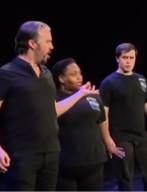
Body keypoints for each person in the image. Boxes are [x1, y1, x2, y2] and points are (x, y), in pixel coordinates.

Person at [0, 21, 101, 191]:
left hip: (51, 153)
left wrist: (80, 94)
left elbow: (52, 110)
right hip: (22, 156)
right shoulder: (7, 73)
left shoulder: (46, 74)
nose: (52, 46)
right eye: (48, 41)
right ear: (32, 43)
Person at [100, 42, 147, 191]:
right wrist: (107, 140)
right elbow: (103, 113)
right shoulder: (109, 82)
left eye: (131, 57)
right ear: (118, 59)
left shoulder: (141, 79)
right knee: (125, 178)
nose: (128, 61)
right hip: (121, 136)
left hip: (141, 136)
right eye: (125, 57)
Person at [53, 58, 124, 191]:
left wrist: (108, 142)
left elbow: (102, 119)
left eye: (79, 73)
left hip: (94, 162)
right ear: (62, 78)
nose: (79, 77)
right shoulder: (55, 100)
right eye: (73, 74)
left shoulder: (93, 96)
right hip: (65, 164)